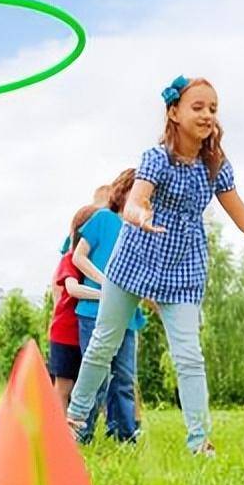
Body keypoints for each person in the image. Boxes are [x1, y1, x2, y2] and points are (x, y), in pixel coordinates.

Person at [65, 76, 244, 456]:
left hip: (183, 268)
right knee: (103, 344)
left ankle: (199, 442)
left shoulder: (215, 166)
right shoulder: (156, 159)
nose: (207, 115)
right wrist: (138, 214)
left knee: (189, 356)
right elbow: (137, 200)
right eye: (198, 107)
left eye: (213, 109)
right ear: (174, 113)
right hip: (134, 259)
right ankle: (73, 422)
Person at [72, 169, 146, 443]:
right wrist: (106, 283)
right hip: (94, 312)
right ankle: (81, 434)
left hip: (127, 315)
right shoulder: (103, 219)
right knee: (96, 376)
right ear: (125, 191)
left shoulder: (141, 231)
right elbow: (78, 257)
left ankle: (124, 435)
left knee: (124, 379)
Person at [47, 204, 102, 413]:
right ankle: (59, 432)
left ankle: (77, 432)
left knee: (87, 385)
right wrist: (104, 295)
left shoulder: (96, 263)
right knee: (64, 386)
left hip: (86, 331)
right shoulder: (70, 259)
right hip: (65, 333)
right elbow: (72, 288)